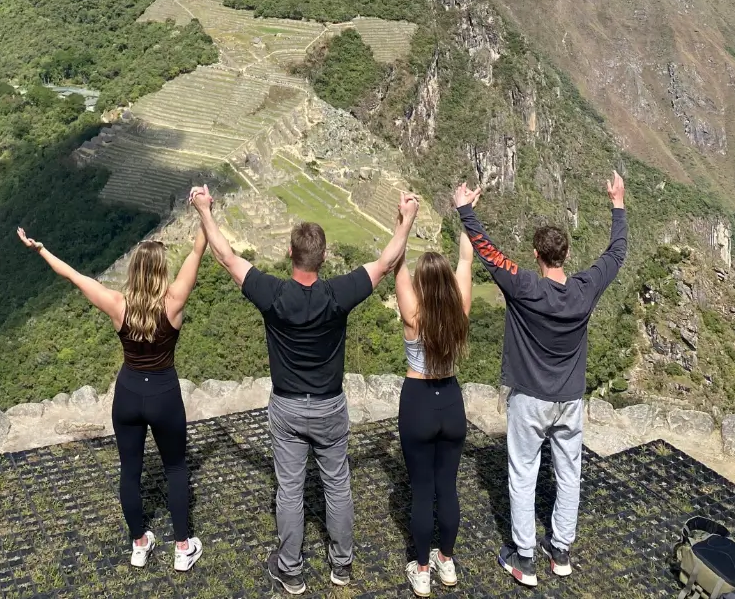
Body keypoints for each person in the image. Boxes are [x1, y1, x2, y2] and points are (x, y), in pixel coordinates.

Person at [189, 184, 420, 595]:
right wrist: (406, 221)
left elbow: (226, 258)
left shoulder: (274, 295)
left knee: (290, 489)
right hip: (330, 407)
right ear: (324, 257)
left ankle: (291, 569)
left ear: (291, 256)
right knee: (337, 483)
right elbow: (385, 264)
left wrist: (205, 211)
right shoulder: (336, 295)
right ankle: (342, 565)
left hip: (288, 407)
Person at [454, 173, 628, 587]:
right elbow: (617, 253)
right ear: (566, 254)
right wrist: (617, 203)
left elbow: (489, 253)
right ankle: (561, 551)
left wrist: (465, 209)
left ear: (536, 255)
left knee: (523, 473)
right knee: (569, 472)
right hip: (569, 399)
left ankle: (524, 556)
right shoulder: (585, 289)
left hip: (529, 398)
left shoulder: (524, 285)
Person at [16, 207, 210, 573]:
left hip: (128, 394)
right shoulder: (174, 302)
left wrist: (40, 250)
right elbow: (199, 250)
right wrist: (205, 211)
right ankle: (183, 547)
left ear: (135, 271)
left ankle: (139, 543)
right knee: (176, 468)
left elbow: (75, 276)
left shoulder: (117, 305)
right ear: (161, 272)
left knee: (130, 471)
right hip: (164, 394)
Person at [394, 193, 476, 597]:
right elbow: (466, 259)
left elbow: (396, 264)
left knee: (421, 489)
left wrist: (404, 219)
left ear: (422, 285)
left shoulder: (413, 316)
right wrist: (467, 213)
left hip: (418, 400)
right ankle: (447, 561)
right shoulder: (459, 311)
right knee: (448, 486)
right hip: (452, 403)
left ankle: (422, 569)